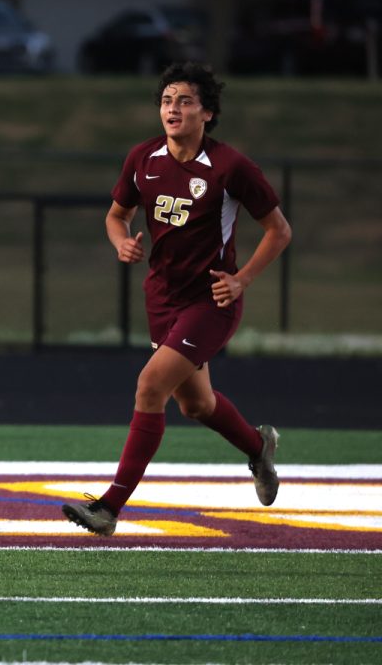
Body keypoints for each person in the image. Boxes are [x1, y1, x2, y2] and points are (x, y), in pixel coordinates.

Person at [62, 61, 292, 536]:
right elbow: (116, 215)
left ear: (207, 113)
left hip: (211, 301)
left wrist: (243, 279)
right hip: (162, 298)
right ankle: (257, 446)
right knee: (196, 405)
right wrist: (120, 240)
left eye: (185, 101)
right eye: (167, 101)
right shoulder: (143, 158)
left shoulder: (231, 167)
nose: (173, 109)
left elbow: (279, 230)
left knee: (150, 387)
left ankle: (108, 507)